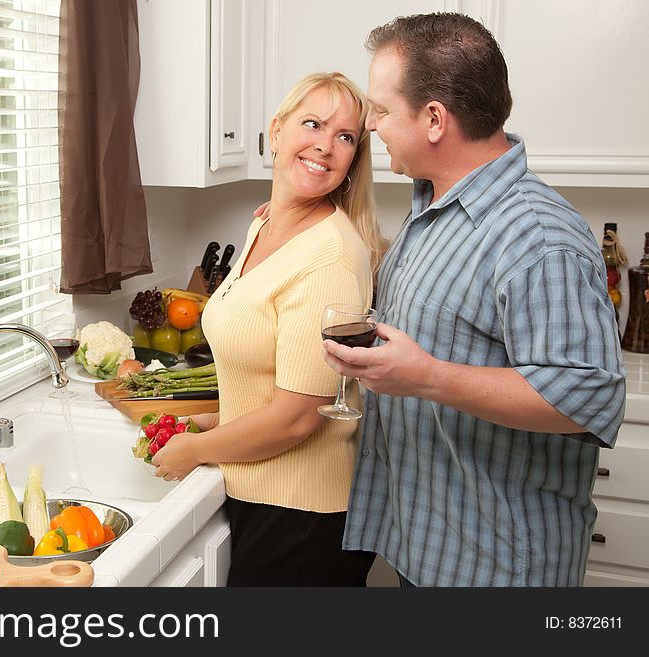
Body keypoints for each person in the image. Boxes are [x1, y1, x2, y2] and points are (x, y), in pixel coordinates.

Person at [322, 13, 626, 587]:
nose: (371, 128)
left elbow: (586, 395)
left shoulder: (537, 235)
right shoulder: (430, 210)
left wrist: (427, 376)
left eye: (381, 111)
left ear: (434, 119)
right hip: (432, 550)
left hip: (499, 570)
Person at [151, 72, 385, 586]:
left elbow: (297, 418)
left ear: (352, 160)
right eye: (313, 124)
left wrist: (193, 450)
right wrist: (210, 424)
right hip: (264, 496)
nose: (325, 144)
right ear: (276, 132)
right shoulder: (265, 225)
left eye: (345, 137)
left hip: (301, 517)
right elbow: (269, 377)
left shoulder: (329, 260)